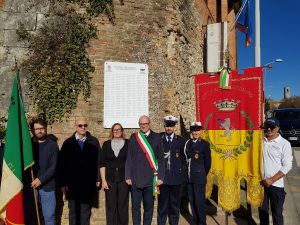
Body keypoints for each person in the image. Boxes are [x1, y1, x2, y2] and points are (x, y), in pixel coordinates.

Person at [58, 118, 101, 225]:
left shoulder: (94, 141)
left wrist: (98, 178)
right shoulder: (68, 143)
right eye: (80, 125)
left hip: (88, 182)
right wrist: (62, 183)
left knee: (86, 212)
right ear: (75, 127)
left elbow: (99, 161)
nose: (83, 127)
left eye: (85, 125)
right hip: (72, 184)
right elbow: (62, 164)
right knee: (73, 212)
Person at [125, 115, 165, 225]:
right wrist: (128, 176)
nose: (143, 126)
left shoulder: (157, 137)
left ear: (149, 123)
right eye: (141, 124)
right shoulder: (134, 137)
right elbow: (129, 157)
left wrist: (161, 177)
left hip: (150, 180)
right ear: (139, 125)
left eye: (145, 124)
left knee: (149, 208)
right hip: (135, 179)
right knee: (135, 208)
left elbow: (161, 159)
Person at [259, 117, 293, 225]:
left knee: (277, 215)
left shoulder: (284, 144)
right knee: (262, 213)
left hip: (276, 186)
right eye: (267, 126)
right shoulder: (260, 141)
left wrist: (272, 180)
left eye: (272, 127)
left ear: (277, 128)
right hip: (261, 184)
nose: (268, 129)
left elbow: (287, 166)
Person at [157, 115, 187, 225]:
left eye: (171, 126)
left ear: (175, 127)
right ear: (164, 126)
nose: (169, 128)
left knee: (175, 206)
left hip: (176, 179)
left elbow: (185, 158)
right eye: (167, 126)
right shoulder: (159, 139)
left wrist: (181, 172)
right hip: (162, 179)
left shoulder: (181, 141)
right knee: (162, 206)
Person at [29, 118, 59, 225]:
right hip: (30, 187)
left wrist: (41, 179)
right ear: (32, 130)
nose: (40, 131)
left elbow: (54, 166)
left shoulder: (52, 145)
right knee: (31, 217)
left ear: (45, 129)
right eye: (37, 129)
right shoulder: (27, 146)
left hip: (48, 187)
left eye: (42, 128)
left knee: (49, 218)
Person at [100, 123, 129, 225]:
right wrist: (103, 181)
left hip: (123, 179)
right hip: (110, 180)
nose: (117, 131)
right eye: (114, 130)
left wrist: (130, 177)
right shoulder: (106, 144)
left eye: (119, 129)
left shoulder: (128, 143)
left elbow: (131, 162)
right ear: (112, 131)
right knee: (111, 206)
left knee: (123, 206)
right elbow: (102, 164)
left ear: (122, 131)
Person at [184, 121, 211, 225]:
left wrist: (202, 173)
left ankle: (202, 223)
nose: (195, 132)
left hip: (199, 178)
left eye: (197, 130)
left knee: (199, 203)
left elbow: (208, 163)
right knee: (192, 202)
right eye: (194, 130)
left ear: (201, 131)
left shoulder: (204, 144)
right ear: (191, 131)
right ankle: (195, 222)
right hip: (190, 177)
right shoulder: (188, 143)